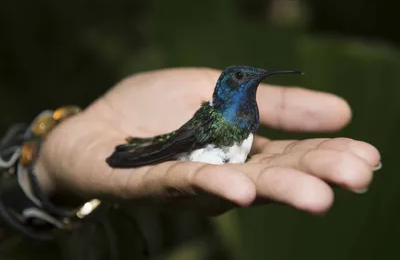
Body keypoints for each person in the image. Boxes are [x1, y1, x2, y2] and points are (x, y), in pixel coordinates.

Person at [0, 67, 381, 245]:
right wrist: (52, 164)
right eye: (241, 78)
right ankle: (134, 149)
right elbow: (178, 143)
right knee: (152, 149)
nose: (249, 81)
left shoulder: (248, 114)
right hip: (191, 147)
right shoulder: (215, 117)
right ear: (227, 87)